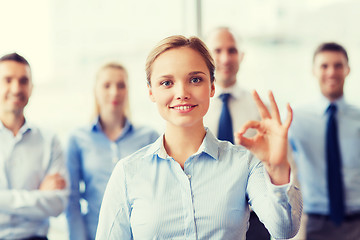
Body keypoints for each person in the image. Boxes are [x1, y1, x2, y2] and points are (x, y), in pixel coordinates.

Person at [95, 35, 302, 239]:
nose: (182, 92)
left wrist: (277, 168)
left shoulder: (245, 163)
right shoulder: (127, 173)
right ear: (151, 92)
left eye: (195, 79)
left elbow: (284, 230)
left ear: (212, 86)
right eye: (167, 83)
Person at [66, 62, 159, 240]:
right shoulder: (77, 139)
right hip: (94, 233)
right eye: (107, 85)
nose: (114, 92)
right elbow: (72, 200)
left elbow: (157, 192)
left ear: (128, 90)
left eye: (121, 85)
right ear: (96, 90)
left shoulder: (149, 137)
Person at [289, 42, 360, 240]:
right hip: (314, 223)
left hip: (357, 222)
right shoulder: (295, 119)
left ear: (348, 70)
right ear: (314, 71)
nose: (331, 72)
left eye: (338, 65)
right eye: (324, 66)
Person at [204, 27, 269, 240]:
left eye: (232, 50)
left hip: (256, 219)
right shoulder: (192, 110)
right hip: (208, 220)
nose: (225, 58)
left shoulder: (260, 109)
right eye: (218, 50)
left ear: (241, 56)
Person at [0, 53, 68, 239]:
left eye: (23, 81)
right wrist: (37, 196)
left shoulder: (49, 140)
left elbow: (58, 203)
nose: (16, 88)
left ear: (31, 88)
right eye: (8, 80)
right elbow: (47, 202)